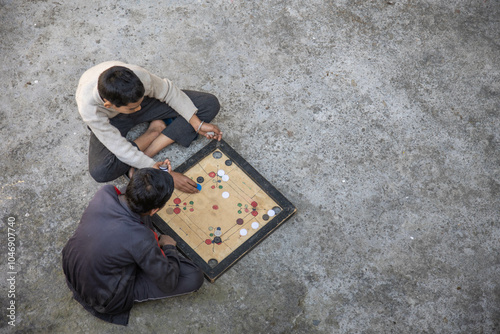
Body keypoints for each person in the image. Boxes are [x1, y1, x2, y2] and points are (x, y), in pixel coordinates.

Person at [62, 162, 204, 326]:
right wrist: (169, 247)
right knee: (193, 276)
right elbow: (169, 283)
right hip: (103, 298)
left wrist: (148, 178)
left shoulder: (105, 193)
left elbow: (131, 194)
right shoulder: (143, 238)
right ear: (155, 210)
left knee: (136, 224)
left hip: (72, 269)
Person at [76, 60, 222, 193]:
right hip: (112, 121)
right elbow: (118, 147)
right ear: (109, 105)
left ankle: (153, 143)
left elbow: (169, 92)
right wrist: (165, 173)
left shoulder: (138, 76)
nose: (138, 110)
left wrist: (197, 124)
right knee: (101, 171)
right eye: (133, 108)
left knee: (209, 104)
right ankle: (154, 131)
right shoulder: (90, 110)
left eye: (139, 104)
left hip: (143, 102)